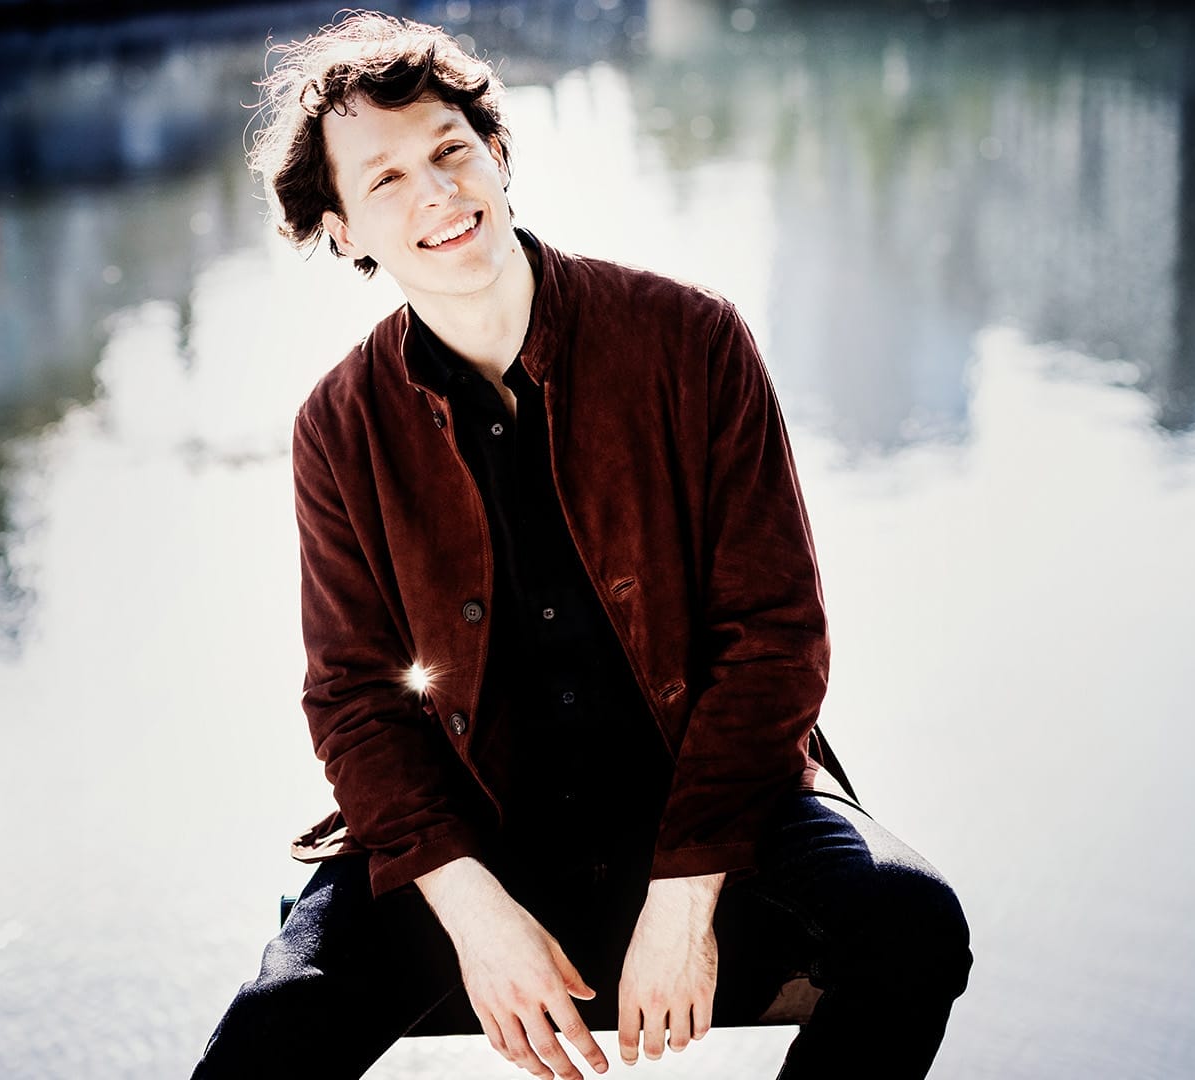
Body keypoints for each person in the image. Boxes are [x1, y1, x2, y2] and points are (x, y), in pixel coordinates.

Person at [192, 13, 971, 1080]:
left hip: (707, 795)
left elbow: (775, 638)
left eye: (452, 150)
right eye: (385, 181)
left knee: (912, 924)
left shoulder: (692, 340)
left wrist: (686, 888)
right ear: (342, 229)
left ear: (500, 155)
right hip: (473, 828)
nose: (436, 192)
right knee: (270, 1033)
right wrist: (475, 917)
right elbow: (356, 704)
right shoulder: (337, 427)